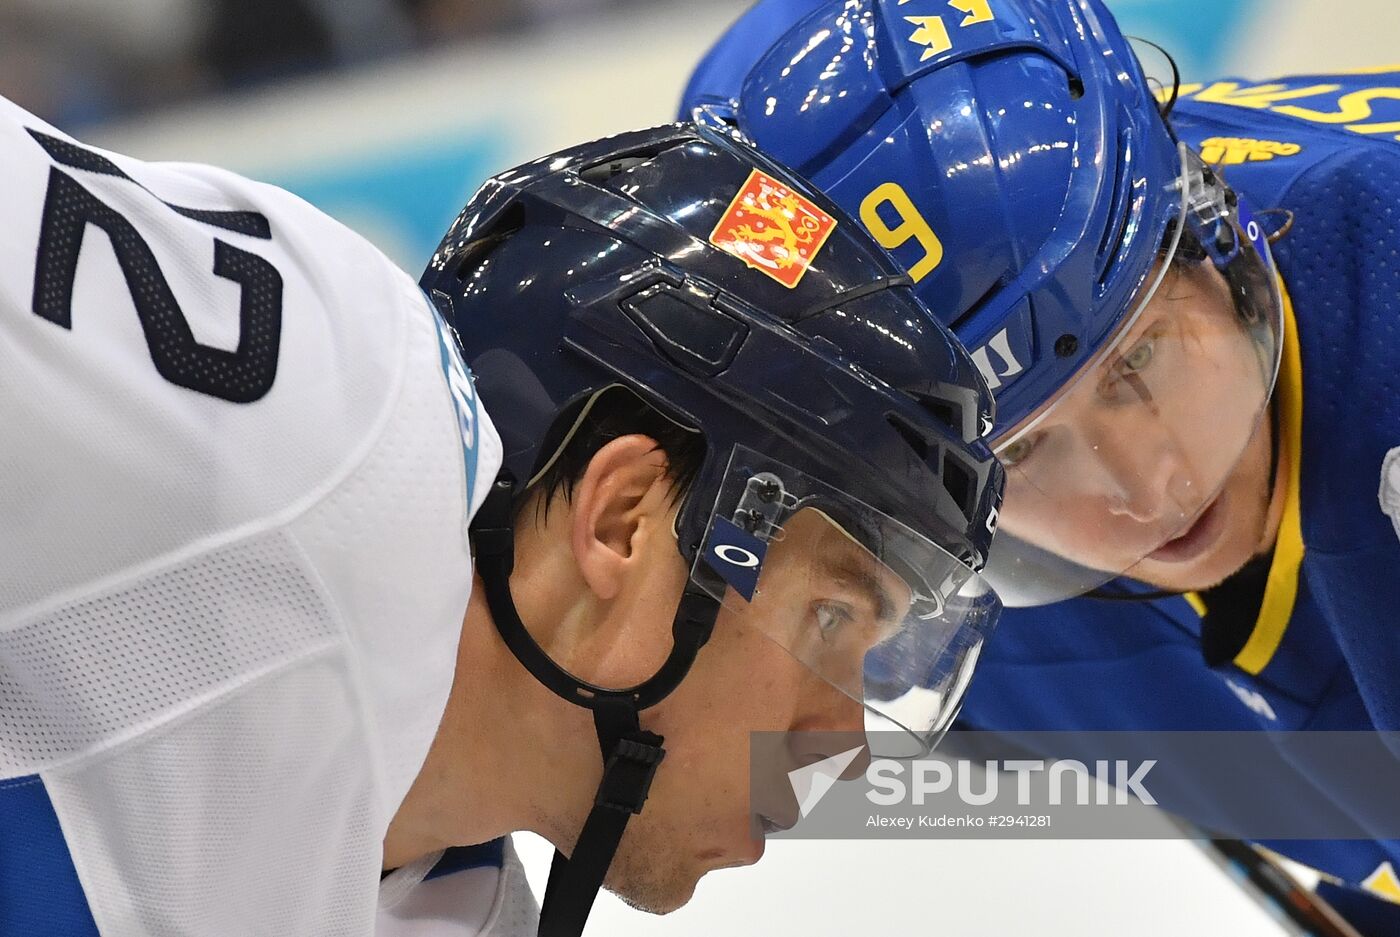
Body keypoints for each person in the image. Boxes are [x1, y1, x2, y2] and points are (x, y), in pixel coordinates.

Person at [0, 92, 1006, 936]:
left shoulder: (461, 907)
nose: (844, 742)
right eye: (829, 619)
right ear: (621, 522)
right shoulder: (327, 404)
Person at [683, 0, 1400, 931]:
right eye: (1021, 448)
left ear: (1210, 237)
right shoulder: (914, 603)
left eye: (1139, 358)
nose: (1155, 489)